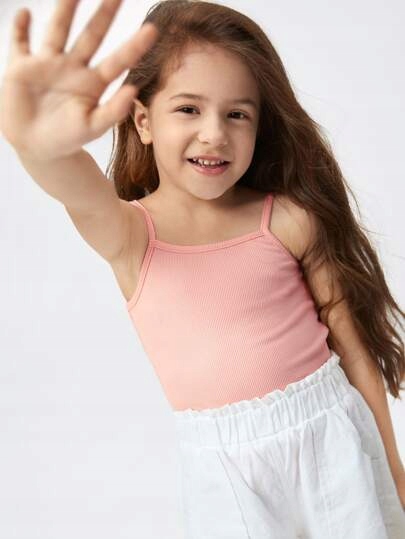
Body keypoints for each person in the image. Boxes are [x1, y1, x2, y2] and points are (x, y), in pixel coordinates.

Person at [1, 0, 404, 537]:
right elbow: (76, 188)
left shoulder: (288, 220)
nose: (214, 133)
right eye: (189, 109)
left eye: (237, 114)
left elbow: (352, 351)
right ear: (143, 120)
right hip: (226, 476)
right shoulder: (132, 236)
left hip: (334, 446)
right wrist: (37, 144)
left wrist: (394, 470)